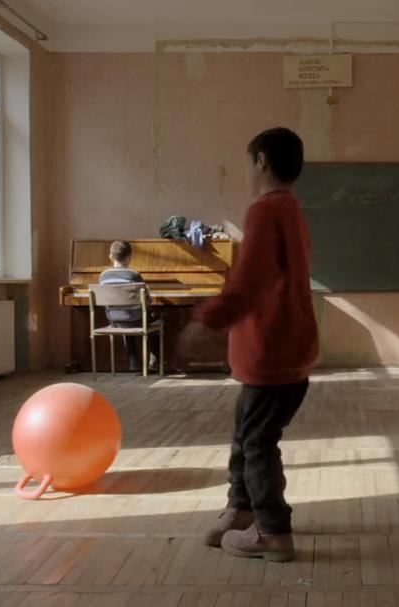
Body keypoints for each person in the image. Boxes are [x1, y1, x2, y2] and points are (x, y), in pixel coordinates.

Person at [179, 127, 318, 562]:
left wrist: (206, 321)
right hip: (286, 349)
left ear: (261, 161)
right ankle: (240, 510)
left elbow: (249, 282)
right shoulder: (292, 210)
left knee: (257, 444)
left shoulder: (265, 211)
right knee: (246, 435)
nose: (246, 171)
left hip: (271, 352)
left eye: (247, 162)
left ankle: (273, 532)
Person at [100, 240, 159, 372]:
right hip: (135, 320)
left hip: (114, 321)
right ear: (129, 257)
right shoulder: (134, 275)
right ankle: (155, 361)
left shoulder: (103, 277)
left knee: (127, 314)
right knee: (156, 318)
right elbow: (147, 300)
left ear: (110, 256)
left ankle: (133, 360)